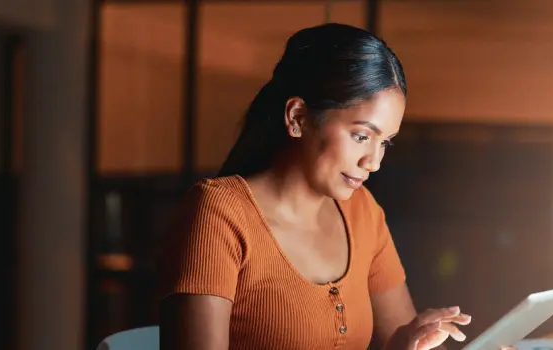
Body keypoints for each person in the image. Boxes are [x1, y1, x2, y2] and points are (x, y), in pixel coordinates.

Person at [156, 23, 472, 350]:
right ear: (298, 117)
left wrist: (410, 343)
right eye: (362, 136)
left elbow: (400, 339)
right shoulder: (219, 214)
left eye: (385, 143)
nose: (373, 162)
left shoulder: (363, 212)